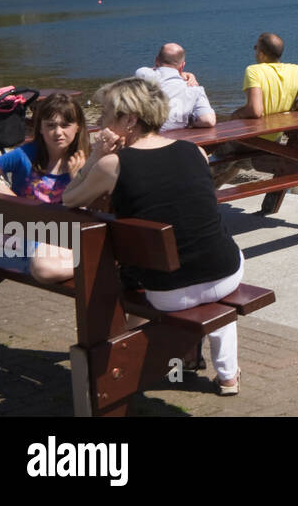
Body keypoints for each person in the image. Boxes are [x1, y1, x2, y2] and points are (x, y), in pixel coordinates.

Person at [62, 78, 244, 395]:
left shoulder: (112, 165)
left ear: (130, 119)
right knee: (209, 270)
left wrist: (96, 156)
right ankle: (228, 375)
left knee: (174, 273)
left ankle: (160, 357)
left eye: (106, 113)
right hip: (226, 274)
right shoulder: (196, 151)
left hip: (168, 292)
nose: (100, 121)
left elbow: (69, 199)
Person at [0, 93, 88, 283]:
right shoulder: (24, 155)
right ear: (41, 128)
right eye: (51, 125)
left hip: (64, 235)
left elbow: (85, 212)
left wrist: (76, 178)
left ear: (78, 127)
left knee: (44, 269)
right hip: (25, 230)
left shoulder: (86, 160)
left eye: (65, 125)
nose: (58, 132)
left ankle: (91, 263)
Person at [230, 33, 298, 123]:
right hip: (288, 130)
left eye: (256, 48)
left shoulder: (253, 71)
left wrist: (236, 114)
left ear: (261, 54)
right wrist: (293, 105)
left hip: (263, 134)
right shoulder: (297, 70)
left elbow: (255, 111)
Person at [135, 43, 215, 131]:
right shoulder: (194, 89)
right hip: (177, 140)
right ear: (182, 65)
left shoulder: (143, 74)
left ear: (156, 60)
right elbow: (208, 120)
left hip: (147, 136)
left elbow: (149, 70)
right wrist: (189, 122)